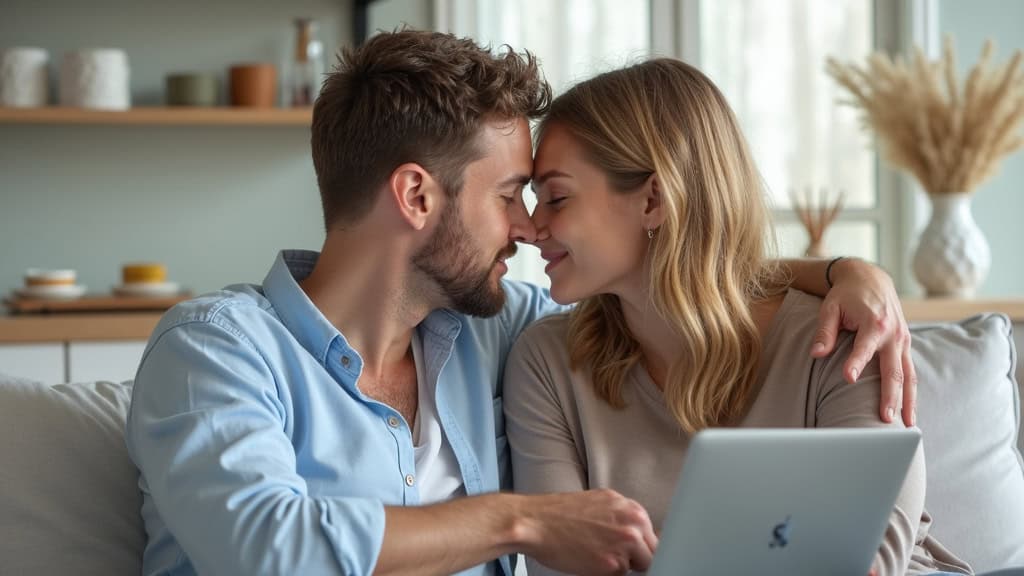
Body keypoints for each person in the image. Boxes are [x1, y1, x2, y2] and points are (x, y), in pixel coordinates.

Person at [127, 31, 917, 576]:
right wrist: (522, 519)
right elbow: (268, 549)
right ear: (415, 195)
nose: (527, 227)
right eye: (510, 195)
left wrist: (843, 270)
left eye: (541, 198)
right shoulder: (215, 350)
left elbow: (666, 275)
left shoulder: (500, 330)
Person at [503, 57, 973, 576]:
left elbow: (870, 557)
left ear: (654, 200)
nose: (529, 226)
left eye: (557, 197)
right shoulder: (547, 362)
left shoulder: (840, 335)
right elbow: (561, 565)